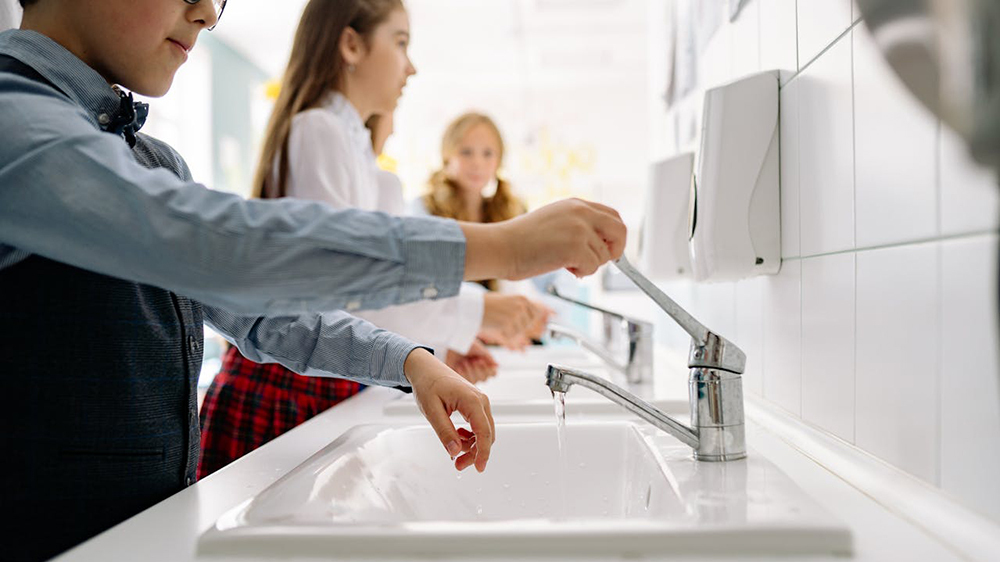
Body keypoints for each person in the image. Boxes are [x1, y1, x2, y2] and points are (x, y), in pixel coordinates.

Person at [0, 0, 626, 559]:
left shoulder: (153, 159)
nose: (208, 13)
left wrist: (408, 359)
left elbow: (265, 313)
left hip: (146, 531)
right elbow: (218, 247)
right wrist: (502, 247)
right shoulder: (11, 115)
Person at [199, 0, 545, 476]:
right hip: (288, 387)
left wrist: (441, 348)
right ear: (351, 44)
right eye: (400, 43)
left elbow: (369, 292)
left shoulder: (347, 143)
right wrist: (477, 312)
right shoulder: (319, 129)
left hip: (318, 380)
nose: (412, 67)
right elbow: (351, 290)